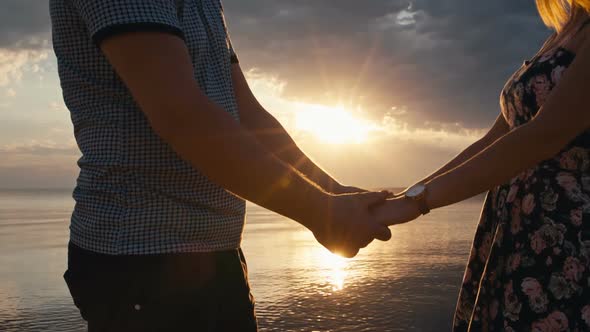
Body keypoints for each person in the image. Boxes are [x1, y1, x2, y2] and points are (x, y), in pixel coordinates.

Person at [49, 0, 391, 330]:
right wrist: (320, 211)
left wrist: (332, 193)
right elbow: (181, 114)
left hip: (218, 253)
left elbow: (246, 113)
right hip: (138, 259)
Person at [375, 0, 590, 330]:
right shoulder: (566, 29)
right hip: (515, 231)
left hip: (566, 241)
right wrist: (406, 196)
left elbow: (544, 135)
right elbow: (495, 137)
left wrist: (415, 204)